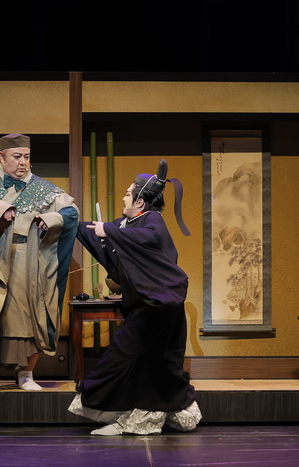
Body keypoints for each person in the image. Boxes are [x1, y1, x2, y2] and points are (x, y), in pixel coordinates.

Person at [69, 159, 201, 435]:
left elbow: (147, 237)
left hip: (160, 308)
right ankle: (133, 419)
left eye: (128, 194)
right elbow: (96, 230)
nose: (123, 198)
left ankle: (134, 420)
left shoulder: (152, 221)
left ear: (140, 202)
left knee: (124, 358)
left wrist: (110, 231)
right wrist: (67, 222)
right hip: (147, 308)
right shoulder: (127, 223)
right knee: (148, 365)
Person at [0, 134, 78, 392]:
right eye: (16, 157)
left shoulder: (44, 188)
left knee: (29, 315)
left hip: (29, 260)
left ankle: (26, 375)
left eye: (26, 157)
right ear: (1, 157)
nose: (23, 162)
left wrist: (51, 219)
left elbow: (71, 211)